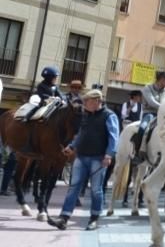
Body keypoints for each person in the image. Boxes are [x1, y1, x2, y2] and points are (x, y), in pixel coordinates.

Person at [47, 89, 119, 231]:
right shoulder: (86, 115)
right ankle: (64, 218)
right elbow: (81, 134)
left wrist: (109, 155)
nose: (84, 103)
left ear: (97, 101)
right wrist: (72, 147)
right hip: (81, 157)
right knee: (73, 188)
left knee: (96, 190)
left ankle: (94, 218)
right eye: (84, 100)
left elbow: (114, 137)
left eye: (87, 101)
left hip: (98, 158)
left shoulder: (109, 116)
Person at [131, 71, 165, 163]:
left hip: (162, 114)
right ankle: (137, 153)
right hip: (149, 113)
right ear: (161, 80)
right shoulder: (147, 88)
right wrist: (164, 106)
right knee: (142, 128)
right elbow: (151, 102)